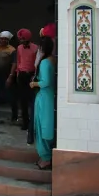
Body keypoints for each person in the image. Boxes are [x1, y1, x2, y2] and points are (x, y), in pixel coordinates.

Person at [28, 22, 57, 144]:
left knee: (40, 121)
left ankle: (43, 153)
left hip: (43, 92)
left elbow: (44, 79)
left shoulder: (45, 57)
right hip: (51, 91)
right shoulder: (55, 52)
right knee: (47, 121)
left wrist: (34, 84)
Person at [30, 36, 56, 170]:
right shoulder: (53, 60)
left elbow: (46, 82)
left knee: (42, 126)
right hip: (50, 97)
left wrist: (34, 83)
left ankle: (46, 158)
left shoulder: (45, 62)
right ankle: (46, 156)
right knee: (48, 125)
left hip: (44, 97)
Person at [12, 28, 38, 131]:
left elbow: (37, 63)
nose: (21, 40)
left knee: (32, 99)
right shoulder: (18, 48)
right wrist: (17, 73)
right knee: (22, 100)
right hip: (22, 75)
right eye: (20, 38)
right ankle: (25, 122)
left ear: (27, 38)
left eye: (22, 38)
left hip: (31, 75)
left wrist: (35, 75)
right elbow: (18, 61)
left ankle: (33, 122)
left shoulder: (36, 48)